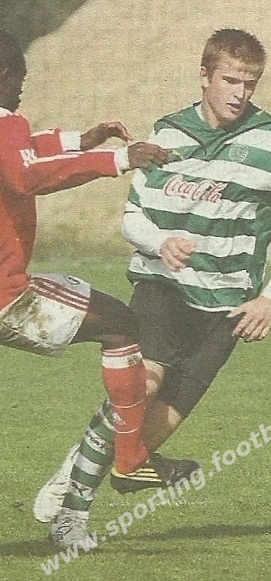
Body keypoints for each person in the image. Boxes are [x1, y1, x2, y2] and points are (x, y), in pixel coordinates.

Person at [34, 28, 271, 546]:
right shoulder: (167, 134)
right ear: (204, 76)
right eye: (230, 80)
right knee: (142, 385)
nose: (240, 93)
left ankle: (95, 466)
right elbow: (133, 218)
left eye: (250, 83)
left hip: (230, 306)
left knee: (151, 432)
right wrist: (160, 242)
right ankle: (72, 511)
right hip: (163, 286)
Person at [0, 28, 199, 548]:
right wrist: (118, 159)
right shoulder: (4, 122)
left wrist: (81, 139)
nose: (21, 89)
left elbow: (24, 152)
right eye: (19, 78)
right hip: (7, 297)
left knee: (116, 324)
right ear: (3, 74)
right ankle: (127, 462)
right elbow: (23, 174)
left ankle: (120, 467)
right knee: (122, 326)